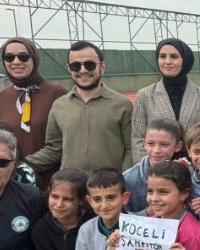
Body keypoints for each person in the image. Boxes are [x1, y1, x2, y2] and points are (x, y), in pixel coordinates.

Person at [26, 41, 133, 174]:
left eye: (90, 65)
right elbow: (53, 150)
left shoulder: (123, 105)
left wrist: (123, 180)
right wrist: (20, 164)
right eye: (76, 66)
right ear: (69, 68)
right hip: (71, 190)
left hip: (107, 190)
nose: (83, 70)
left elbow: (131, 149)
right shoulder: (59, 106)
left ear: (103, 67)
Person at [0, 37, 68, 186]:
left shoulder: (57, 93)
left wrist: (23, 164)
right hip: (17, 181)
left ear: (34, 58)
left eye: (23, 57)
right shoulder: (1, 98)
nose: (16, 62)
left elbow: (64, 142)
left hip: (53, 181)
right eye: (9, 57)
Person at [131, 38, 200, 161]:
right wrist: (149, 170)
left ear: (185, 60)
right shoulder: (145, 95)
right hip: (157, 172)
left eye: (174, 57)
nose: (167, 61)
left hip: (194, 170)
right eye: (163, 56)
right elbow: (138, 138)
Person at [123, 118, 185, 214]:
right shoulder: (129, 179)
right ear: (144, 144)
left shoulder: (187, 174)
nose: (156, 150)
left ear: (178, 146)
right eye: (151, 144)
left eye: (164, 144)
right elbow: (123, 217)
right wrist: (148, 213)